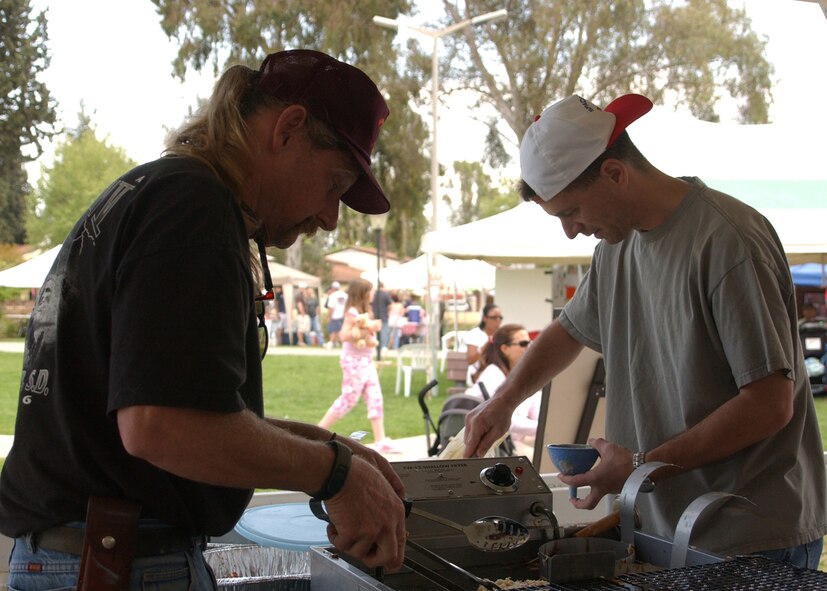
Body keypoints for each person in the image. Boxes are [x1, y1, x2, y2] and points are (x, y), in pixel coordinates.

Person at [0, 49, 407, 590]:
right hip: (118, 564)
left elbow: (176, 404)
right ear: (288, 129)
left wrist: (328, 447)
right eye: (334, 184)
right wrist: (333, 474)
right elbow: (159, 425)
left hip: (82, 557)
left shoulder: (154, 191)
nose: (330, 218)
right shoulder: (194, 204)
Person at [463, 93, 826, 568]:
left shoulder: (727, 240)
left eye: (570, 211)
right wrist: (504, 400)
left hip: (748, 535)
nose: (570, 231)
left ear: (615, 173)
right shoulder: (616, 248)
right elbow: (568, 331)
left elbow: (769, 403)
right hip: (664, 528)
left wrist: (640, 467)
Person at [318, 278, 397, 453]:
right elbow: (344, 335)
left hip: (365, 360)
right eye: (370, 291)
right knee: (348, 399)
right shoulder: (352, 312)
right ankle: (319, 431)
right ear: (363, 294)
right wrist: (368, 330)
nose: (373, 294)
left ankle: (380, 439)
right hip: (353, 361)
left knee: (375, 397)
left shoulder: (364, 311)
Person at [465, 323, 540, 449]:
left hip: (509, 444)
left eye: (530, 343)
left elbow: (536, 411)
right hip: (495, 449)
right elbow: (501, 420)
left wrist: (549, 425)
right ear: (505, 349)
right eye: (523, 344)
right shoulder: (493, 374)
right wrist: (543, 427)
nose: (529, 347)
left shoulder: (522, 377)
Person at [464, 304, 503, 385]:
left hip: (498, 376)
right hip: (477, 377)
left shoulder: (502, 335)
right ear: (485, 318)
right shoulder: (475, 334)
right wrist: (486, 346)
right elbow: (470, 360)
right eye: (494, 318)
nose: (498, 320)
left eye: (500, 318)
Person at [325, 280, 348, 348]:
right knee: (340, 329)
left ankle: (331, 342)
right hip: (343, 315)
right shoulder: (345, 295)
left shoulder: (332, 295)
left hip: (335, 315)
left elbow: (331, 307)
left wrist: (329, 317)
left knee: (332, 330)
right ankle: (339, 342)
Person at [372, 281, 393, 352]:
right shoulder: (385, 294)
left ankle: (375, 346)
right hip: (383, 315)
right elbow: (390, 305)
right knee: (384, 332)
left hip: (374, 316)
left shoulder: (373, 294)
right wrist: (388, 311)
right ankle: (383, 346)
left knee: (374, 332)